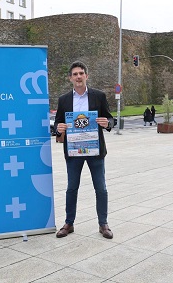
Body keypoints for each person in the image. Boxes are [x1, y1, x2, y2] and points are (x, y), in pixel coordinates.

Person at [54, 61, 115, 239]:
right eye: (75, 74)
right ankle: (69, 223)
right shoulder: (64, 100)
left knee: (101, 188)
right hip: (73, 152)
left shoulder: (99, 96)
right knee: (72, 188)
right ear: (70, 78)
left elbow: (111, 120)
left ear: (86, 76)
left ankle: (103, 224)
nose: (78, 76)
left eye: (81, 73)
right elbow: (57, 124)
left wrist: (107, 123)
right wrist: (59, 128)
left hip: (95, 151)